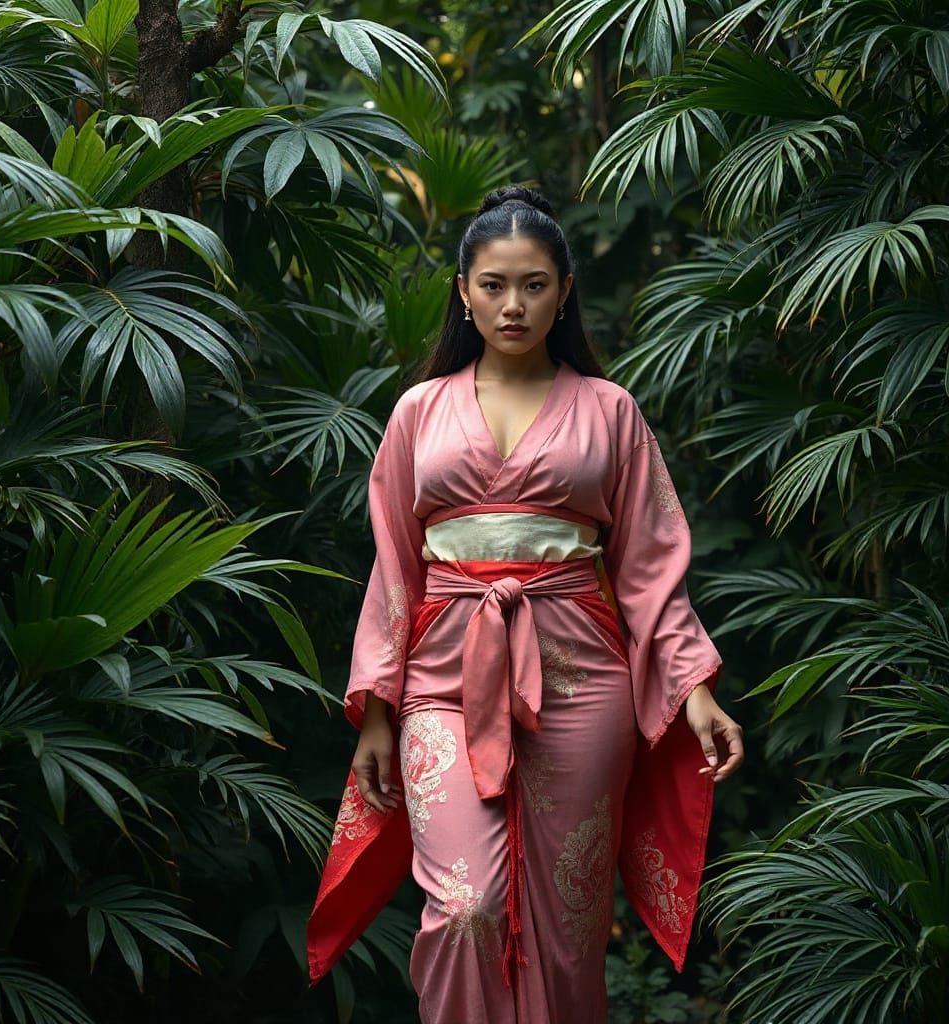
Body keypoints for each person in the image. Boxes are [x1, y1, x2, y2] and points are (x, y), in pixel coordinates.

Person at [307, 185, 744, 1023]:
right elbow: (394, 566)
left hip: (584, 683)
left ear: (565, 290)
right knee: (465, 906)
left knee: (570, 925)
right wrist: (377, 712)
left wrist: (695, 691)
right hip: (441, 676)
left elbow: (652, 567)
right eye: (496, 284)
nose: (515, 304)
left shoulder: (611, 412)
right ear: (463, 292)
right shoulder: (416, 413)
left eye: (535, 284)